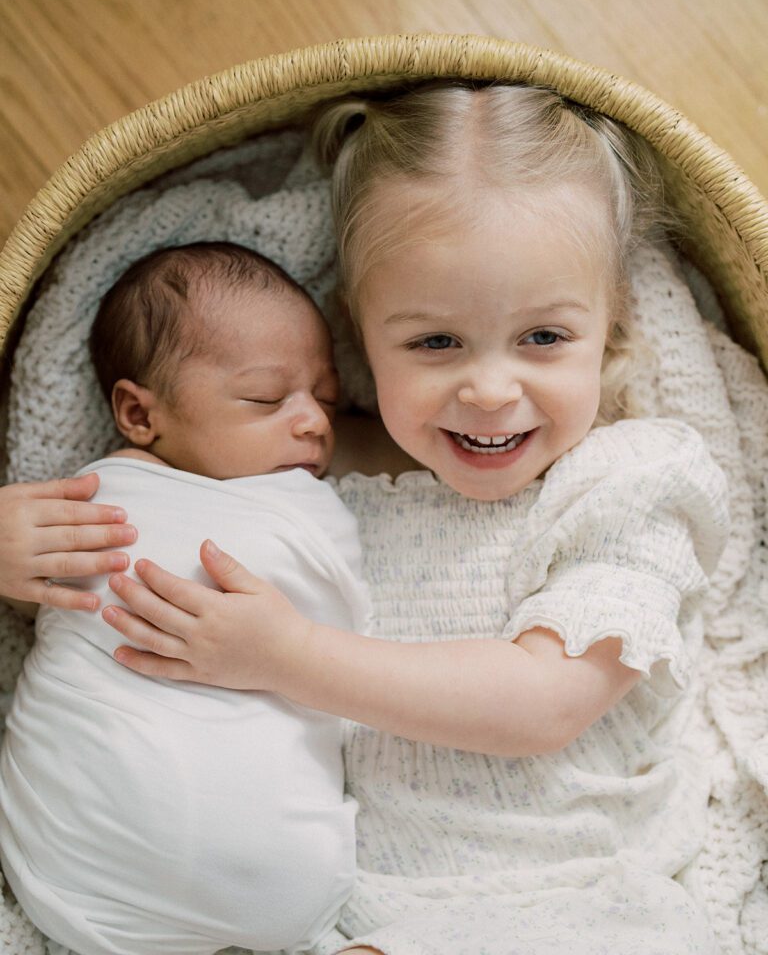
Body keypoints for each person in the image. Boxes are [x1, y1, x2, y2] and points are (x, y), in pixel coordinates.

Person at [0, 84, 729, 955]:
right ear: (357, 334)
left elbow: (542, 702)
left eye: (544, 338)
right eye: (432, 343)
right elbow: (138, 531)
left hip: (570, 890)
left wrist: (286, 655)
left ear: (611, 324)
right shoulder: (303, 466)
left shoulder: (632, 479)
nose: (491, 391)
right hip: (351, 909)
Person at [0, 242, 367, 955]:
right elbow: (51, 604)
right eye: (266, 397)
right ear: (139, 415)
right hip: (76, 854)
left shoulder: (296, 496)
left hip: (119, 890)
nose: (315, 422)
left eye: (326, 397)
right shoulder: (88, 502)